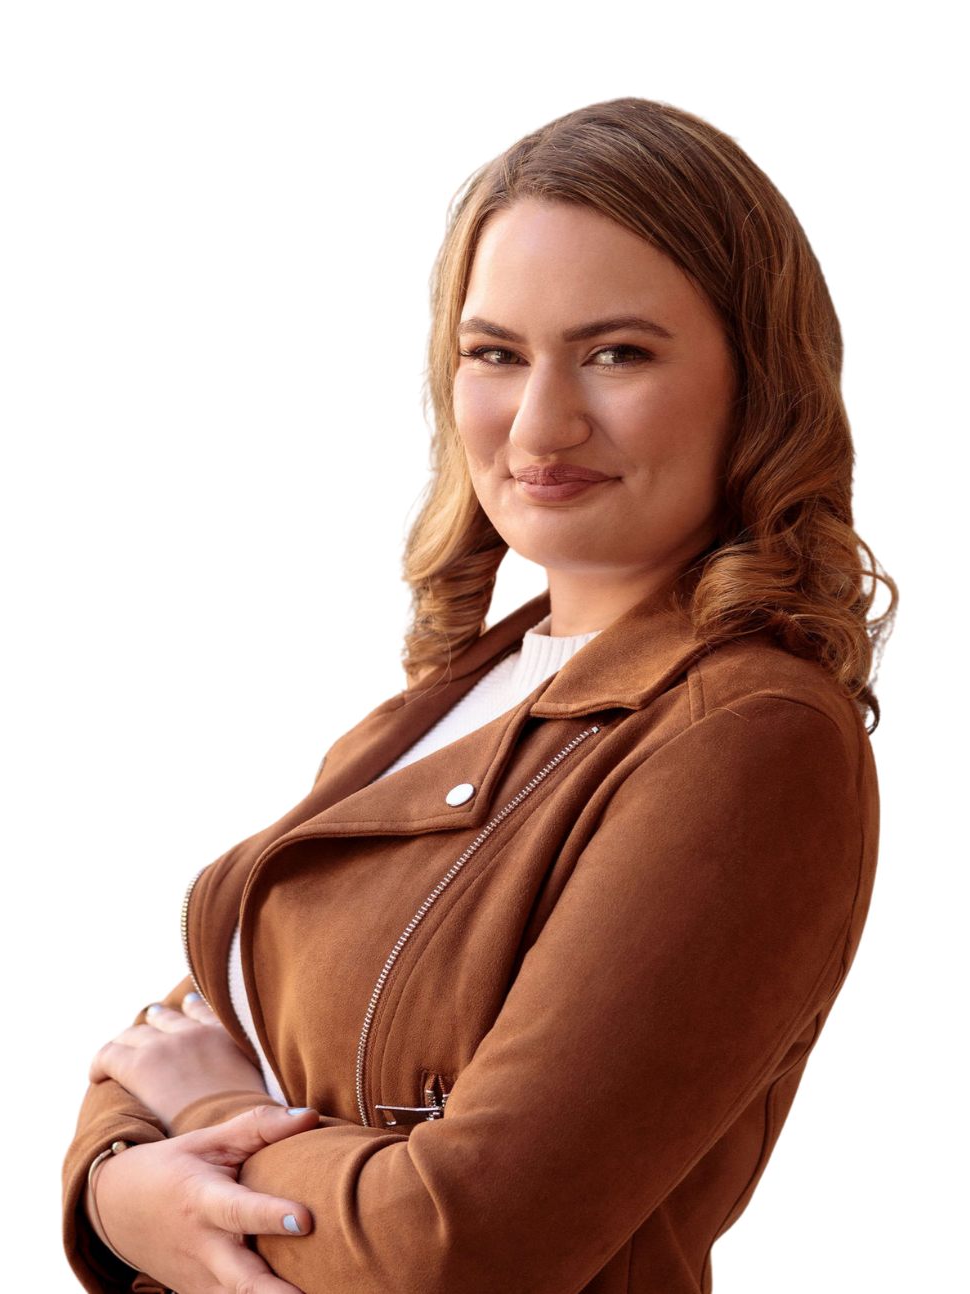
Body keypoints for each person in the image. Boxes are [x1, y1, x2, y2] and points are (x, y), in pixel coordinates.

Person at [61, 96, 899, 1294]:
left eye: (617, 353)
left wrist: (224, 1122)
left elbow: (468, 1245)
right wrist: (112, 1188)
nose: (541, 423)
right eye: (494, 353)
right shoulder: (440, 698)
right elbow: (148, 1047)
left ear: (754, 384)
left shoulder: (747, 735)